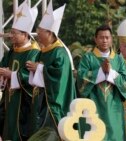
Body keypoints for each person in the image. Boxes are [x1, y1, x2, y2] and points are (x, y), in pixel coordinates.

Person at [26, 0, 76, 138]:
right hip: (40, 101)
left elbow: (58, 76)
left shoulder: (60, 52)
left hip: (53, 104)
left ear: (50, 33)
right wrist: (34, 69)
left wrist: (40, 68)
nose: (37, 33)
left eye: (40, 31)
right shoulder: (43, 50)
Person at [76, 25, 126, 140]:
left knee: (115, 135)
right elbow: (81, 81)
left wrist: (111, 73)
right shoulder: (87, 58)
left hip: (114, 107)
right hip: (93, 106)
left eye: (107, 37)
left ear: (112, 39)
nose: (104, 40)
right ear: (95, 39)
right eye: (101, 37)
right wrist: (101, 72)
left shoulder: (118, 59)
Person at [0, 1, 39, 140]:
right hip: (9, 99)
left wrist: (12, 75)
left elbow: (32, 76)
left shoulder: (34, 52)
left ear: (25, 34)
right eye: (11, 32)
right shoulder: (12, 51)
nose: (11, 36)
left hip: (24, 101)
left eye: (15, 33)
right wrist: (3, 75)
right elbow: (3, 66)